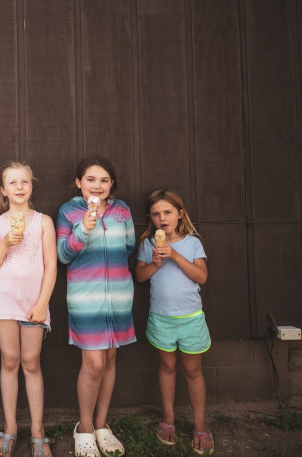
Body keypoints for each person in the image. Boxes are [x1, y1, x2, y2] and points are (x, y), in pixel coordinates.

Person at [56, 155, 135, 457]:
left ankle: (102, 425)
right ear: (79, 183)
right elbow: (63, 255)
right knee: (94, 363)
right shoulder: (69, 211)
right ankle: (85, 428)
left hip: (118, 296)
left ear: (111, 184)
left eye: (104, 180)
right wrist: (84, 229)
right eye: (90, 179)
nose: (97, 185)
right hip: (85, 298)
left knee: (111, 357)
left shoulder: (122, 209)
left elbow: (128, 246)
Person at [0, 162, 58, 457]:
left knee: (31, 362)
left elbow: (51, 265)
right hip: (4, 301)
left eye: (24, 182)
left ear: (31, 186)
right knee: (10, 360)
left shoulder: (43, 221)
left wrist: (42, 303)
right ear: (4, 190)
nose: (19, 187)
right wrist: (4, 243)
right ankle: (11, 426)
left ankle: (38, 429)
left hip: (33, 302)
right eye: (12, 182)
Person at [134, 189, 213, 455]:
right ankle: (168, 418)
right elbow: (141, 277)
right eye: (155, 214)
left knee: (192, 370)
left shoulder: (192, 243)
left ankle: (200, 425)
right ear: (150, 218)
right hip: (162, 318)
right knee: (167, 365)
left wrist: (176, 256)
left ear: (180, 214)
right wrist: (155, 263)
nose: (162, 219)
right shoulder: (147, 243)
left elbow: (201, 277)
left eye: (167, 212)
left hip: (191, 318)